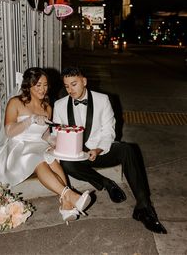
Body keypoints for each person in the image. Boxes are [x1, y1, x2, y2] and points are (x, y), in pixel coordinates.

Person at [53, 66, 167, 234]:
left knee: (127, 149)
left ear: (84, 81)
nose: (70, 90)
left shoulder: (102, 99)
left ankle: (143, 207)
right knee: (67, 165)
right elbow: (57, 133)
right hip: (76, 156)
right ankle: (106, 183)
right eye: (67, 86)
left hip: (100, 150)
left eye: (74, 84)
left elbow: (109, 131)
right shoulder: (59, 105)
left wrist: (98, 149)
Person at [0, 67, 91, 224]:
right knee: (39, 159)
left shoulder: (47, 108)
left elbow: (45, 135)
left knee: (53, 159)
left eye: (45, 85)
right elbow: (9, 131)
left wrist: (62, 141)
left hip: (38, 144)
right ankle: (69, 195)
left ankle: (66, 204)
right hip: (18, 145)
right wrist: (30, 120)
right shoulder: (15, 102)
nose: (43, 89)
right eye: (38, 85)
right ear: (29, 86)